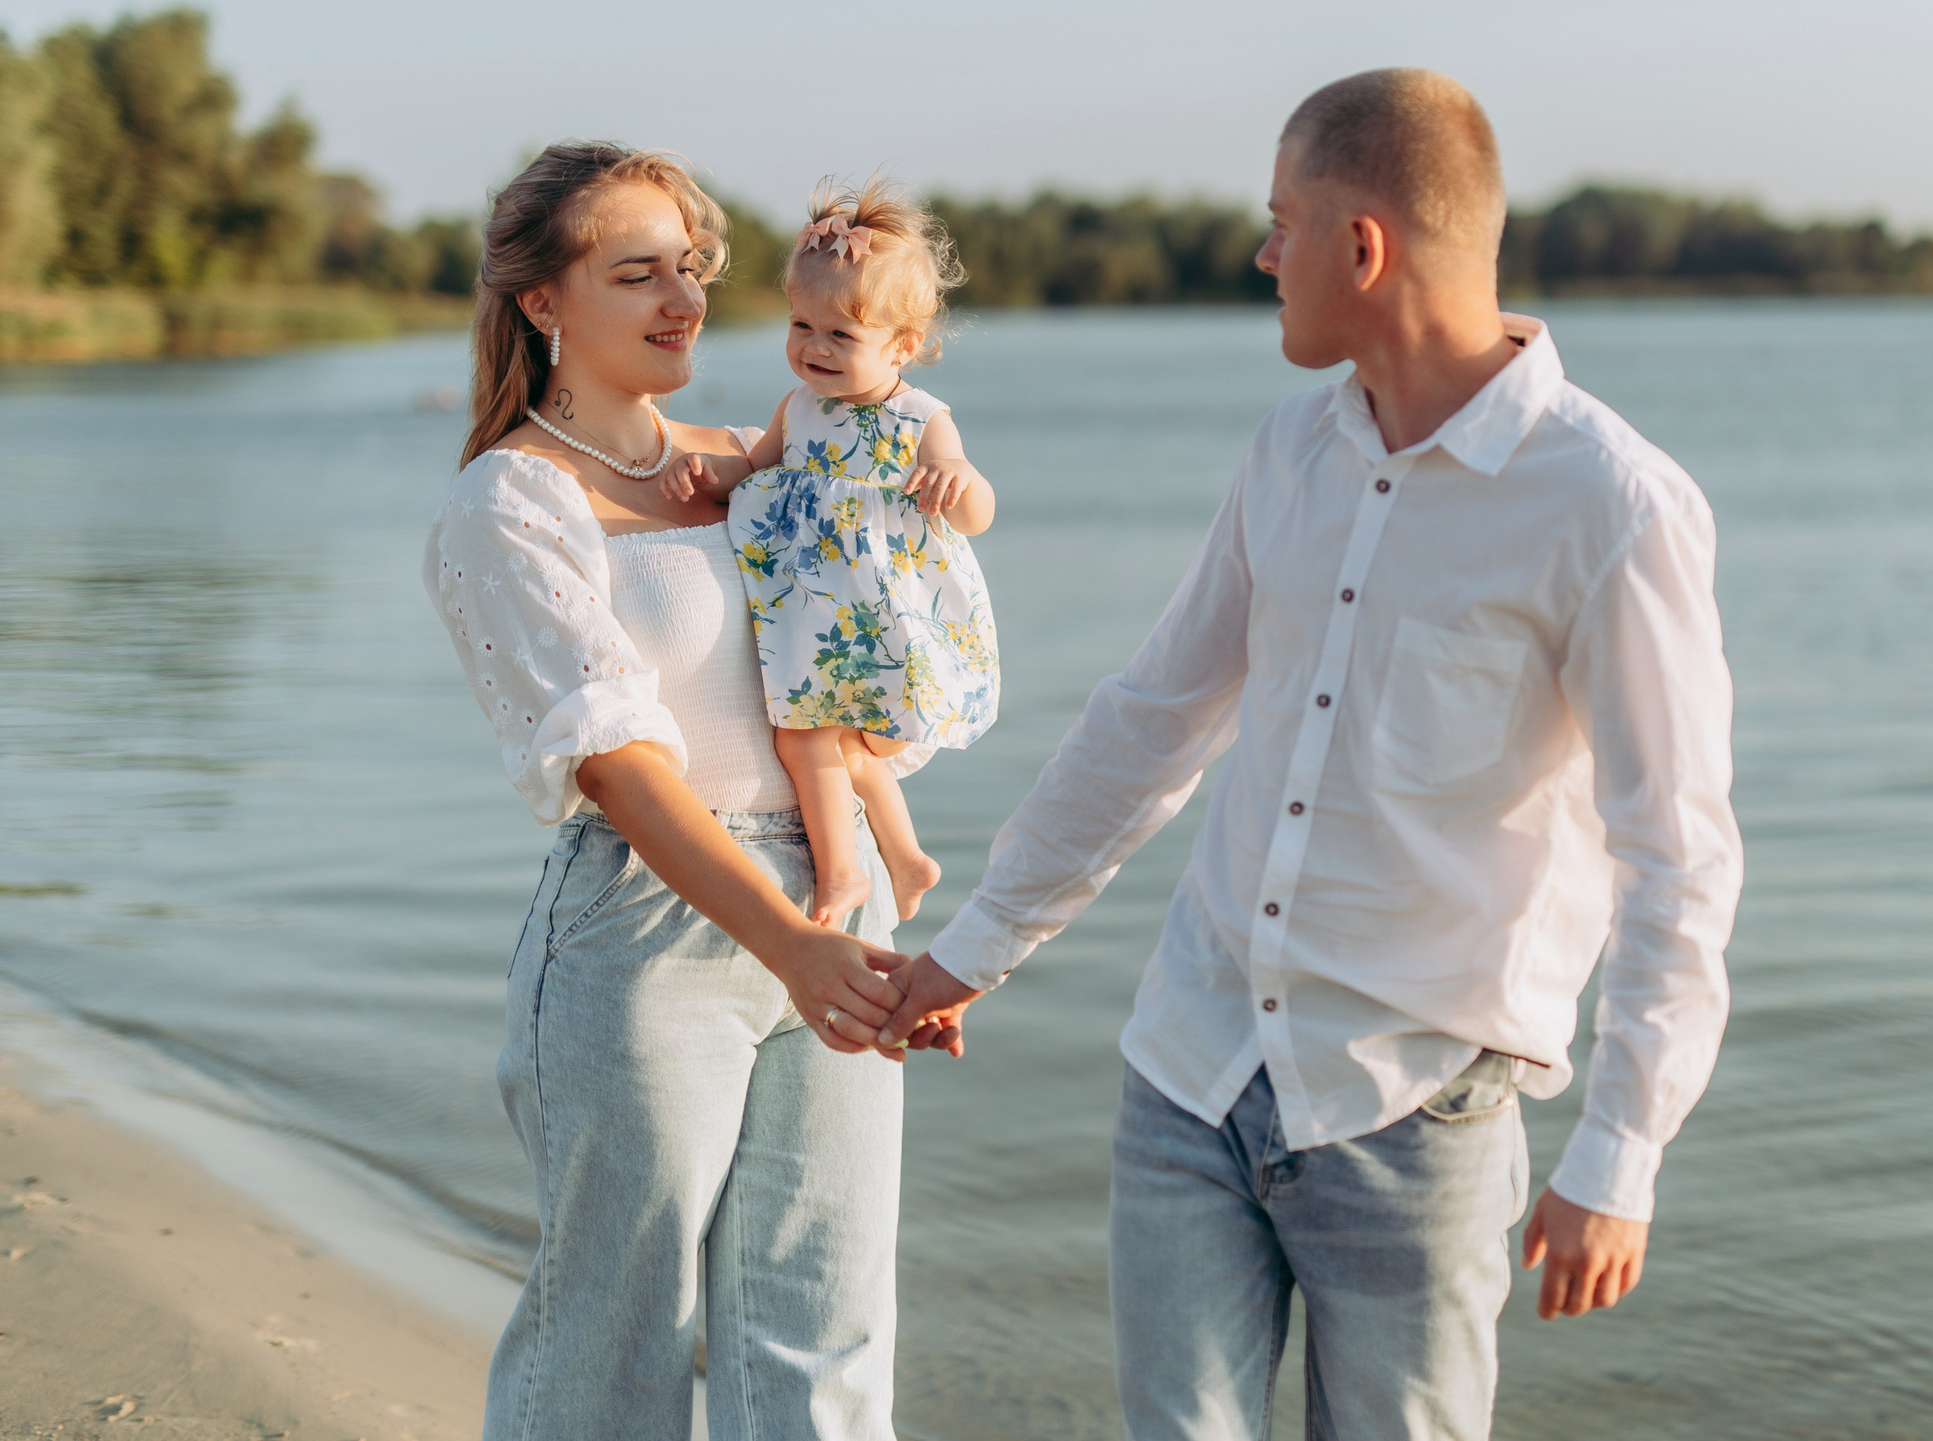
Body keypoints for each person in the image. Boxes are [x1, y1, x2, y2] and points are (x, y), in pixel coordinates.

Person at [877, 69, 1745, 1439]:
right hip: (1193, 1064)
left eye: (1285, 221)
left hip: (1418, 1110)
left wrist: (1620, 1152)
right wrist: (975, 943)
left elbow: (1678, 859)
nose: (1263, 253)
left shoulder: (1612, 503)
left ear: (1364, 245)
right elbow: (1153, 717)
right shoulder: (1289, 450)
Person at [423, 142, 940, 1441]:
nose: (683, 301)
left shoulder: (757, 459)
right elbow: (622, 766)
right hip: (646, 941)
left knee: (824, 1338)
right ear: (543, 301)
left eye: (693, 269)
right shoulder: (510, 502)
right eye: (636, 271)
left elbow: (879, 656)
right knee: (613, 1347)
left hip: (834, 901)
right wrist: (797, 941)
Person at [658, 175, 999, 928]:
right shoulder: (799, 409)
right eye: (800, 325)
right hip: (814, 608)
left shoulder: (919, 419)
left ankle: (846, 872)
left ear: (904, 345)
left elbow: (977, 514)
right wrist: (703, 474)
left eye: (840, 335)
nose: (812, 348)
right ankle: (902, 860)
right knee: (823, 738)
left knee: (817, 736)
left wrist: (958, 478)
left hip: (876, 613)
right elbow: (756, 470)